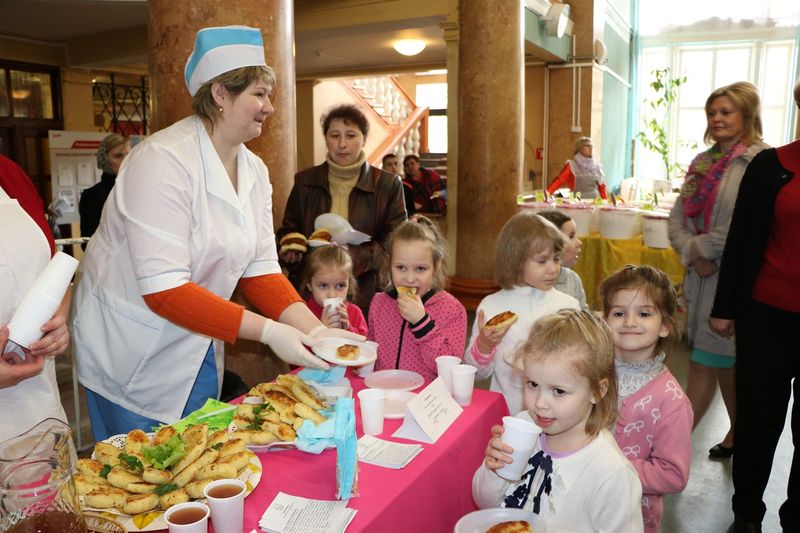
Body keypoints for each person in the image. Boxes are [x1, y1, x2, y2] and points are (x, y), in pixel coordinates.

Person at [71, 26, 359, 441]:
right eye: (258, 94)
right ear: (221, 94)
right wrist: (270, 332)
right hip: (130, 349)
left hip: (199, 337)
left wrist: (315, 331)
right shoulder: (161, 162)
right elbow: (164, 290)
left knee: (201, 462)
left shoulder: (255, 171)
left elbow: (260, 269)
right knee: (138, 479)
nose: (269, 107)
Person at [709, 79, 800, 533]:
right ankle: (746, 512)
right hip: (767, 314)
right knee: (759, 419)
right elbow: (742, 240)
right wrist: (725, 306)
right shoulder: (770, 165)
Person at [667, 81, 768, 460]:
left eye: (726, 112)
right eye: (712, 112)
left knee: (703, 364)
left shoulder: (760, 161)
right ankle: (741, 433)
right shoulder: (703, 162)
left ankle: (669, 445)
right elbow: (677, 218)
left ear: (747, 114)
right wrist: (693, 253)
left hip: (737, 281)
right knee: (725, 363)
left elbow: (748, 224)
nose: (717, 118)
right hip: (701, 277)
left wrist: (703, 248)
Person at [472, 309, 643, 531]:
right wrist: (493, 470)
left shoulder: (611, 473)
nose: (540, 403)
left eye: (559, 391)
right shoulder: (525, 426)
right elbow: (484, 502)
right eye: (532, 384)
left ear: (597, 391)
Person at [278, 104, 407, 315]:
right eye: (334, 135)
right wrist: (291, 250)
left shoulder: (387, 184)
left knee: (357, 344)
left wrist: (349, 256)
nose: (342, 144)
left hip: (364, 290)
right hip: (313, 289)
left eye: (351, 135)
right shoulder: (304, 181)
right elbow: (289, 230)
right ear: (326, 138)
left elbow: (395, 243)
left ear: (364, 139)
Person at [600, 265, 693, 532]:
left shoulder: (671, 401)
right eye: (618, 313)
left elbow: (673, 475)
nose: (629, 322)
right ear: (604, 320)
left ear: (664, 326)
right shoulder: (589, 373)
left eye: (643, 313)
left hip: (628, 517)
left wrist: (608, 466)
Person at [463, 212, 579, 415]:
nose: (553, 269)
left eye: (556, 259)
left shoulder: (568, 306)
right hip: (507, 414)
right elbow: (477, 373)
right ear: (515, 262)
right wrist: (484, 344)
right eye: (542, 261)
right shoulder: (492, 306)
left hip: (557, 415)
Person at [1, 168, 71, 442]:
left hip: (38, 401)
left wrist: (57, 323)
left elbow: (53, 273)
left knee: (47, 481)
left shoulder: (11, 175)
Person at [368, 215, 466, 381]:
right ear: (389, 263)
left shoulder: (452, 310)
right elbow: (370, 354)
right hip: (386, 396)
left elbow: (450, 370)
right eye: (401, 268)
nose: (410, 278)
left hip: (427, 402)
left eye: (420, 269)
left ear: (437, 266)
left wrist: (422, 323)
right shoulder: (379, 303)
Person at [300, 244, 368, 336]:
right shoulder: (303, 313)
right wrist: (321, 330)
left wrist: (348, 329)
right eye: (323, 285)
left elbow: (365, 344)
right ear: (310, 285)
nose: (332, 295)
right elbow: (297, 348)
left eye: (340, 285)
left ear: (349, 285)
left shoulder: (354, 313)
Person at [78, 133, 131, 248]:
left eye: (128, 155)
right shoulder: (92, 196)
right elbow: (87, 243)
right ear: (104, 160)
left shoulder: (138, 189)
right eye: (118, 156)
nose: (125, 160)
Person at [537, 209, 588, 310]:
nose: (579, 242)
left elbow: (583, 314)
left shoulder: (573, 279)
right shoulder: (534, 282)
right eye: (571, 236)